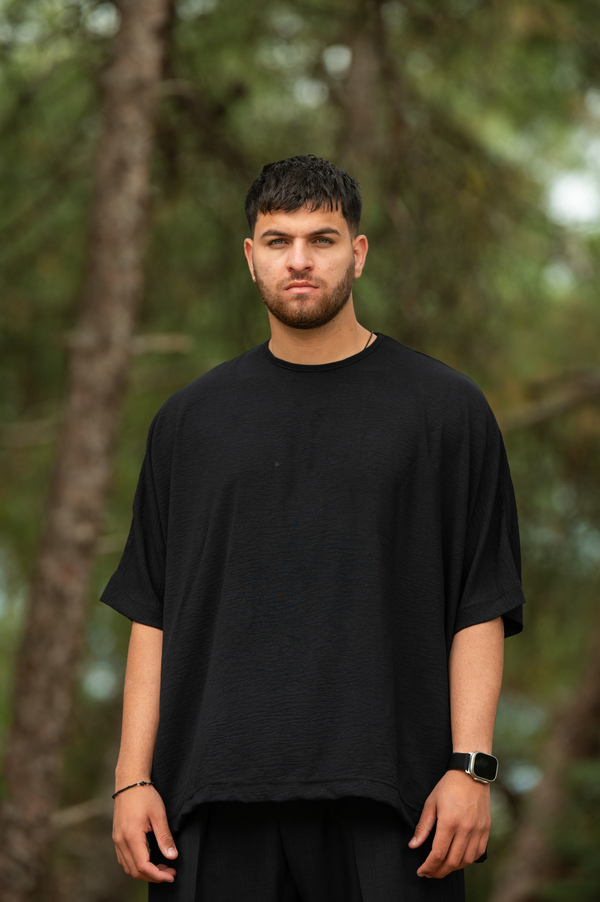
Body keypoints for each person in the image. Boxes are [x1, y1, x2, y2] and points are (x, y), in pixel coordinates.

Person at [103, 155, 525, 902]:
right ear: (251, 257)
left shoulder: (446, 412)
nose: (299, 260)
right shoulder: (189, 422)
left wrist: (472, 768)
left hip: (396, 806)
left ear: (357, 253)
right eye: (278, 241)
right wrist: (132, 779)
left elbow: (479, 603)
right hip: (208, 801)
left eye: (321, 239)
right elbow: (153, 611)